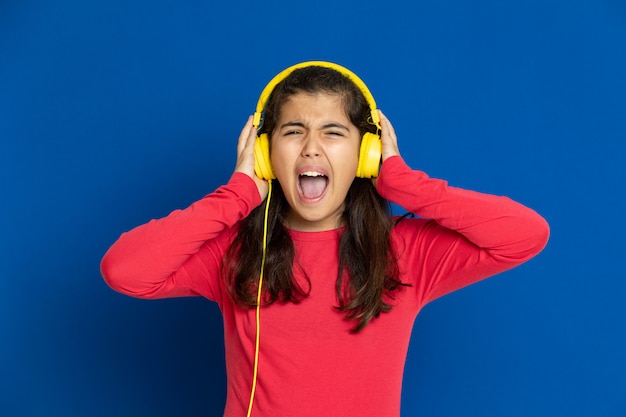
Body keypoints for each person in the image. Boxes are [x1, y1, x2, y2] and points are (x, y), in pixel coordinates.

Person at [100, 61, 549, 417]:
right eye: (293, 132)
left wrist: (404, 183)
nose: (311, 147)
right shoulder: (235, 252)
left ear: (365, 154)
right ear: (265, 152)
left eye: (333, 132)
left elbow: (525, 234)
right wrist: (235, 195)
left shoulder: (407, 253)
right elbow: (124, 271)